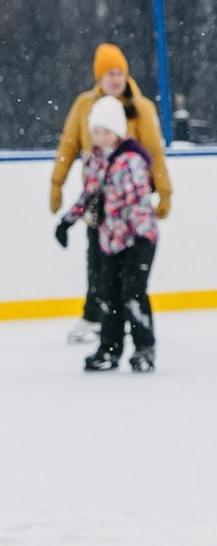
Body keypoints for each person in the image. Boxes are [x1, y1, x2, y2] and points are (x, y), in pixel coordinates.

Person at [48, 43, 171, 348]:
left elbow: (155, 153)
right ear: (99, 78)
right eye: (109, 74)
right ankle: (96, 318)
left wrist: (164, 192)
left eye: (119, 73)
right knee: (98, 265)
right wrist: (57, 184)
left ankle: (131, 332)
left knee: (127, 278)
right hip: (99, 209)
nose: (115, 79)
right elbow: (68, 146)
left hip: (130, 213)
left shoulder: (140, 110)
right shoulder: (85, 106)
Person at [56, 97, 160, 373]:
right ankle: (109, 350)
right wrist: (67, 222)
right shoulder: (94, 160)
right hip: (110, 241)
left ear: (118, 131)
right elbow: (88, 195)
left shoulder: (131, 161)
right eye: (96, 132)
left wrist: (141, 236)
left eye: (105, 131)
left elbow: (139, 201)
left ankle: (144, 348)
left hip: (138, 240)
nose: (100, 137)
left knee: (133, 294)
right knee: (109, 295)